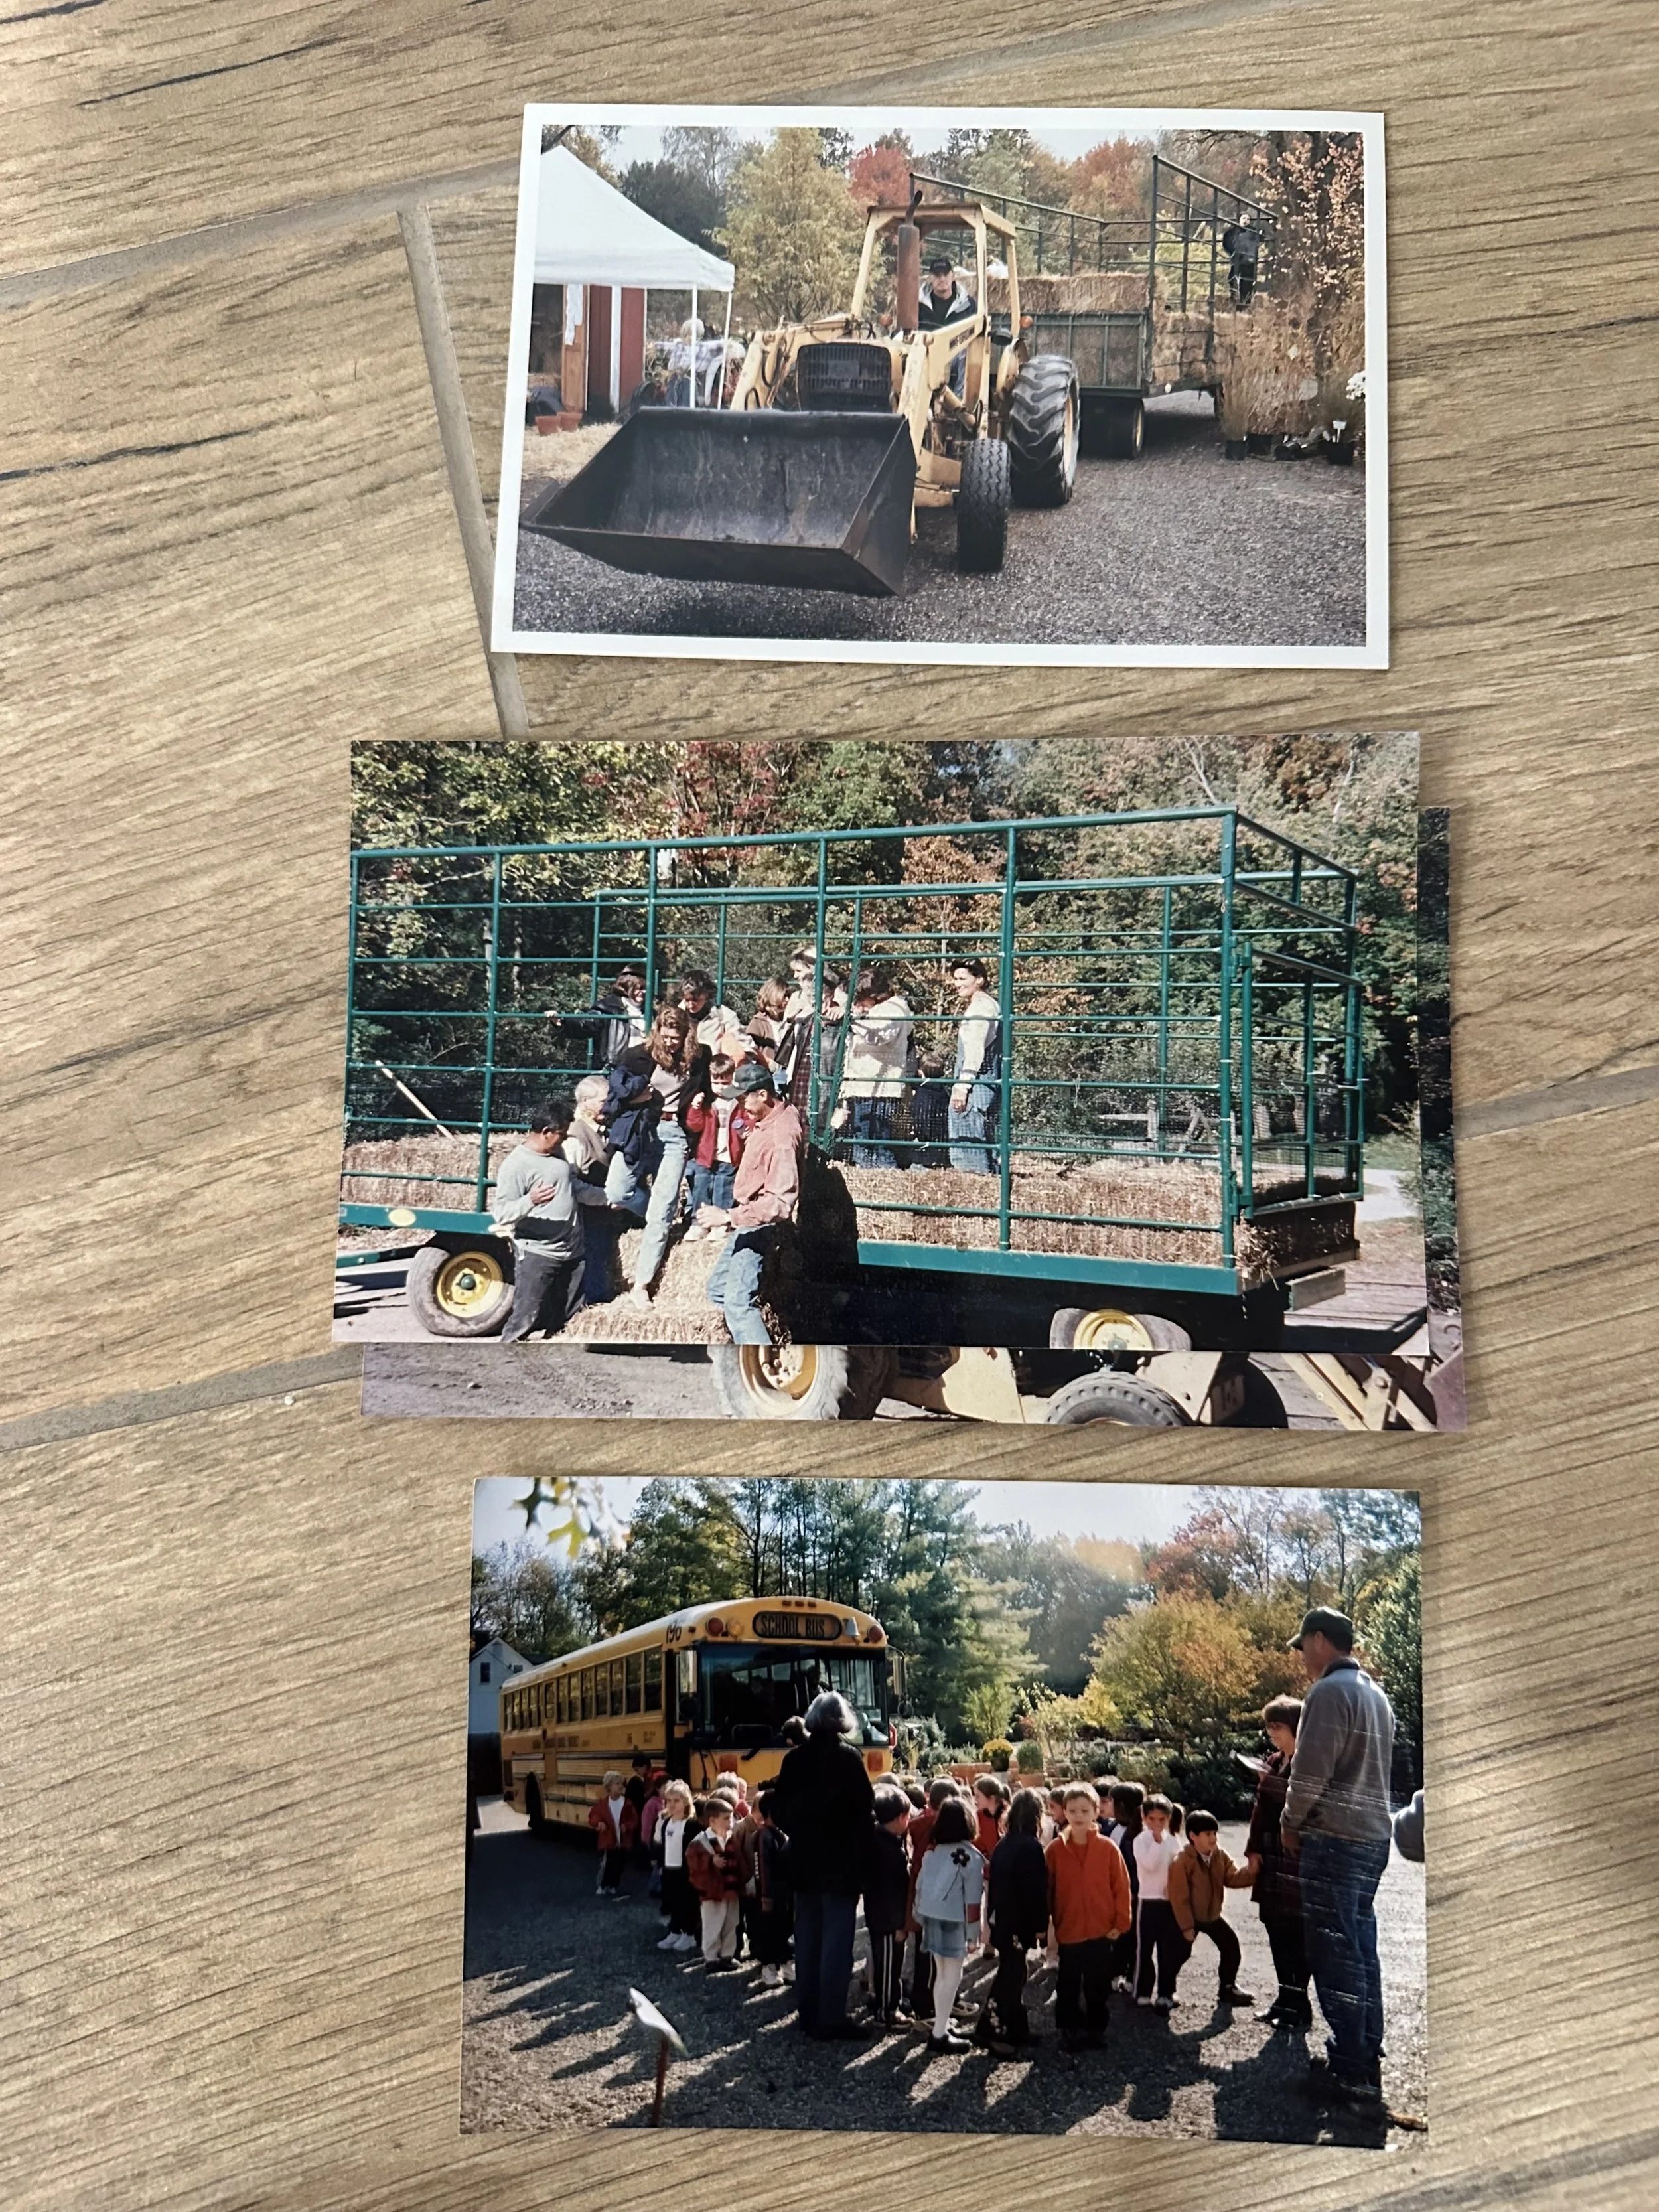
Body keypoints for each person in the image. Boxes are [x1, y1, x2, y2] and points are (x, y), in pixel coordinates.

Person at [1283, 1607, 1398, 2104]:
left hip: (1335, 1839)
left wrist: (1290, 1822)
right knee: (1361, 1947)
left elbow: (1309, 1776)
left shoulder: (1329, 1692)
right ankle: (1365, 2052)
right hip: (1373, 1838)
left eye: (1303, 1644)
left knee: (1335, 1954)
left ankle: (1350, 2067)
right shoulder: (1377, 1695)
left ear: (1321, 1640)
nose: (1302, 1654)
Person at [774, 1690, 877, 2039]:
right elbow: (865, 1812)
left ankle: (808, 2014)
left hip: (804, 1861)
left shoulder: (794, 1761)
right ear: (842, 1721)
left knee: (807, 1940)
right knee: (836, 1943)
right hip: (841, 1864)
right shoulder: (849, 1760)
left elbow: (780, 1811)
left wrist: (803, 1833)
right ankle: (831, 2017)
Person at [698, 1062, 804, 1346]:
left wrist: (727, 1217)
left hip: (760, 1226)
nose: (741, 1104)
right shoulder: (775, 1115)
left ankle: (764, 1362)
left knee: (737, 1303)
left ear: (764, 1095)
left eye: (745, 1097)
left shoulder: (781, 1137)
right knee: (719, 1289)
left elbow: (780, 1204)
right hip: (749, 1221)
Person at [490, 1096, 613, 1341]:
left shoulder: (558, 1156)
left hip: (572, 1252)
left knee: (567, 1318)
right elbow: (502, 1212)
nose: (566, 1139)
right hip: (539, 1253)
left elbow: (574, 1187)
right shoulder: (517, 1166)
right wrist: (530, 1201)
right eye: (563, 1134)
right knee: (525, 1318)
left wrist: (609, 1199)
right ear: (546, 1132)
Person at [618, 1005, 704, 1310]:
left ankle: (642, 1284)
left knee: (662, 1209)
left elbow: (711, 1084)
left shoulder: (698, 1057)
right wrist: (634, 1096)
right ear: (657, 1032)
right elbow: (617, 1086)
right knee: (618, 1191)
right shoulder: (637, 1055)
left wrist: (699, 1100)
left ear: (685, 1035)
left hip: (675, 1134)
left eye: (676, 1037)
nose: (671, 1043)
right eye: (666, 1036)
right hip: (641, 1130)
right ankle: (654, 1214)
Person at [1045, 1783, 1132, 2051]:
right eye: (1072, 1810)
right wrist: (1043, 1924)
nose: (1079, 1815)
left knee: (1097, 1984)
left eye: (1084, 1810)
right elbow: (1046, 1890)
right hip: (1070, 1927)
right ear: (1064, 1813)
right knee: (1068, 1982)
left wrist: (1122, 1921)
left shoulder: (1107, 1849)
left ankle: (1096, 2029)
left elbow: (1121, 1886)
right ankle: (1068, 2029)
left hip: (1100, 1928)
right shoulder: (1055, 1850)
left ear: (1096, 1812)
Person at [1244, 1696, 1313, 2028]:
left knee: (1297, 1934)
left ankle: (1298, 2004)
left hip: (1295, 1856)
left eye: (1278, 1725)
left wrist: (1268, 1784)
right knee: (1274, 1928)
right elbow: (1260, 1811)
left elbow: (1303, 1804)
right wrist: (1253, 1848)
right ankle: (1285, 1999)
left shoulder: (1309, 1761)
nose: (1272, 1732)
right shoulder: (1274, 1760)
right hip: (1272, 1856)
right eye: (1269, 1725)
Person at [913, 1796, 985, 2053]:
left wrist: (918, 1914)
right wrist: (975, 1933)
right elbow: (973, 1900)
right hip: (956, 1920)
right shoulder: (972, 1857)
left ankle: (941, 2024)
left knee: (941, 1974)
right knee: (952, 1976)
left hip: (931, 1916)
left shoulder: (932, 1851)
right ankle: (939, 2032)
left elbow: (920, 1885)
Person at [981, 1785, 1050, 2052]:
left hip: (1002, 1920)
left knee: (1014, 1973)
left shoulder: (1004, 1844)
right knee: (1010, 1976)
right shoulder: (1031, 1848)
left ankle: (1017, 2028)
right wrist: (1040, 1926)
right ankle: (991, 2030)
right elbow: (1035, 1892)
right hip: (1018, 1922)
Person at [1169, 1810, 1256, 2007]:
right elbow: (1179, 1897)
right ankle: (1167, 1991)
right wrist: (1186, 1926)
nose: (1213, 1838)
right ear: (1193, 1836)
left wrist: (1252, 1872)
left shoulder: (1219, 1855)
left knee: (1231, 1946)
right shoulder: (1182, 1861)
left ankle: (1228, 1987)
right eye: (1208, 1834)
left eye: (1215, 1834)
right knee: (1179, 1954)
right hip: (1191, 1917)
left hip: (1212, 1915)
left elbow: (1232, 1878)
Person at [831, 967, 913, 1170]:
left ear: (874, 995)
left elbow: (877, 1036)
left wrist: (851, 1019)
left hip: (879, 1088)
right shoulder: (877, 1011)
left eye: (860, 999)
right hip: (864, 1086)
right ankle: (869, 1185)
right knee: (863, 1141)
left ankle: (886, 1183)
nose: (858, 1005)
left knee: (876, 1144)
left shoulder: (894, 1010)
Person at [561, 1073, 622, 1306]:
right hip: (584, 1214)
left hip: (600, 1212)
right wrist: (605, 1198)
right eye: (602, 1101)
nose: (608, 1106)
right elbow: (570, 1182)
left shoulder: (603, 1130)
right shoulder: (575, 1136)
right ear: (585, 1101)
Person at [682, 1053, 750, 1242]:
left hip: (729, 1155)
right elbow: (695, 1125)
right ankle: (699, 1223)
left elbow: (747, 1122)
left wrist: (745, 1130)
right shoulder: (707, 1102)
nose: (721, 1088)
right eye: (716, 1083)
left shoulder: (740, 1102)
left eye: (725, 1083)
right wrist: (695, 1109)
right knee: (701, 1187)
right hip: (706, 1155)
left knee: (724, 1188)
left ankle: (720, 1223)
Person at [946, 957, 1002, 1175]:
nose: (956, 983)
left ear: (979, 979)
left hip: (975, 1084)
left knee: (967, 1140)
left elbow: (975, 1051)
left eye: (962, 978)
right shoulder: (988, 1005)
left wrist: (962, 1087)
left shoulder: (980, 1008)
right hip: (983, 1083)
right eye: (955, 979)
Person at [864, 1784, 913, 2026]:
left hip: (880, 1917)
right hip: (888, 1921)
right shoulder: (890, 1851)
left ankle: (891, 2002)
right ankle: (886, 2011)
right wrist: (899, 1924)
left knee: (890, 1965)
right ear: (901, 1818)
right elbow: (893, 1892)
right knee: (888, 1966)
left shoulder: (877, 1841)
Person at [1133, 1794, 1187, 2012]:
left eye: (1161, 1820)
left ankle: (1167, 1992)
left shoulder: (1174, 1840)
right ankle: (1143, 1990)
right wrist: (1156, 1841)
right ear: (1144, 1818)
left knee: (1168, 1950)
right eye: (1152, 1819)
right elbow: (1149, 1865)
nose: (1157, 1824)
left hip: (1169, 1903)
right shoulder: (1141, 1840)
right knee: (1144, 1949)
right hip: (1147, 1901)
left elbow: (1178, 1870)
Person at [548, 966, 648, 1066]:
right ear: (628, 986)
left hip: (646, 1065)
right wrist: (563, 1021)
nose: (644, 992)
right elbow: (586, 1024)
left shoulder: (650, 1012)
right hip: (619, 1066)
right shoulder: (608, 1007)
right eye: (640, 988)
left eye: (646, 988)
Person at [687, 1797, 743, 1970]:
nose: (731, 1822)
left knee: (731, 1923)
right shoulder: (700, 1842)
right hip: (712, 1892)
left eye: (732, 1817)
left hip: (731, 1889)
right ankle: (711, 1958)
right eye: (726, 1819)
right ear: (712, 1821)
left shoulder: (732, 1839)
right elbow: (693, 1865)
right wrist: (711, 1861)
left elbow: (741, 1861)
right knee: (712, 1925)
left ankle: (727, 1955)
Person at [751, 1789, 794, 1988]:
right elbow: (761, 1866)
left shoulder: (782, 1834)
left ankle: (786, 1962)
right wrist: (765, 1896)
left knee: (784, 1929)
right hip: (769, 1894)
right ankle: (769, 1967)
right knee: (768, 1931)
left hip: (785, 1894)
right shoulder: (762, 1836)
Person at [916, 254, 977, 396]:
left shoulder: (967, 304)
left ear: (953, 276)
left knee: (967, 353)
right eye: (937, 275)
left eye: (945, 274)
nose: (942, 279)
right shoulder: (918, 305)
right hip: (926, 352)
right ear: (931, 278)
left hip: (955, 351)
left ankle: (959, 405)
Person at [1105, 1781, 1145, 1991]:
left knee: (1132, 1939)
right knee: (1117, 1937)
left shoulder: (1137, 1834)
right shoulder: (1111, 1827)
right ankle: (1115, 1973)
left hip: (1132, 1895)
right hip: (1113, 1893)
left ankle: (1132, 1977)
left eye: (1110, 1800)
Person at [654, 1781, 700, 1953]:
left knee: (687, 1903)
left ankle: (689, 1934)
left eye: (676, 1801)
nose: (672, 1805)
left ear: (686, 1802)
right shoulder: (667, 1823)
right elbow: (662, 1846)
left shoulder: (691, 1825)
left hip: (685, 1871)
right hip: (669, 1869)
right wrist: (661, 1866)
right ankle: (675, 1930)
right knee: (672, 1902)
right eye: (669, 1801)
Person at [587, 1771, 638, 1899]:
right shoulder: (603, 1805)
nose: (621, 1786)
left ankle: (613, 1885)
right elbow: (593, 1816)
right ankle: (603, 1885)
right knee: (607, 1864)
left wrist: (628, 1826)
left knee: (619, 1865)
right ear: (609, 1787)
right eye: (617, 1784)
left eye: (622, 1783)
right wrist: (599, 1823)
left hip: (623, 1841)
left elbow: (634, 1819)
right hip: (609, 1841)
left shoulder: (627, 1803)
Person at [676, 968, 745, 1053]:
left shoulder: (724, 1016)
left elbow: (745, 1048)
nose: (690, 1006)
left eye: (696, 1000)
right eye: (687, 1000)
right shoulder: (675, 1015)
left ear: (707, 995)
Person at [907, 1051, 952, 1170]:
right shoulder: (944, 1092)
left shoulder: (923, 1094)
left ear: (920, 1071)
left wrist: (920, 1135)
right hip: (942, 1142)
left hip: (926, 1148)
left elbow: (922, 1119)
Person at [1221, 221, 1262, 307]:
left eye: (1248, 219)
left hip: (1248, 260)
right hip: (1237, 259)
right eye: (1244, 218)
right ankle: (1235, 299)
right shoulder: (1232, 232)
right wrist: (1232, 253)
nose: (1246, 220)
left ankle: (1245, 302)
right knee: (1233, 279)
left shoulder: (1253, 232)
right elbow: (1226, 243)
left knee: (1247, 282)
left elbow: (1258, 242)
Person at [973, 1775, 1009, 1863]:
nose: (975, 1800)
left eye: (978, 1796)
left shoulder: (1009, 1816)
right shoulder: (977, 1817)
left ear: (991, 1798)